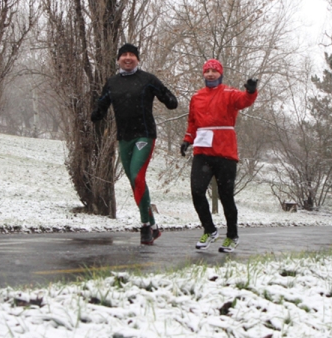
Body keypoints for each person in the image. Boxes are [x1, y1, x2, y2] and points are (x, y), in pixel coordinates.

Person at [91, 43, 178, 245]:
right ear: (118, 59)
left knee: (138, 176)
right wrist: (97, 113)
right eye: (124, 55)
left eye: (132, 55)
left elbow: (166, 96)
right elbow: (102, 103)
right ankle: (154, 226)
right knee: (134, 181)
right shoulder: (113, 83)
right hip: (124, 137)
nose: (128, 58)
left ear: (138, 59)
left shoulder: (147, 80)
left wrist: (170, 99)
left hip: (144, 135)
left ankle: (145, 225)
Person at [181, 58, 258, 253]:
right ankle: (210, 229)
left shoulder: (229, 93)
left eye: (214, 71)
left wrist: (250, 91)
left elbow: (244, 101)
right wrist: (187, 140)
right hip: (202, 151)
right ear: (203, 74)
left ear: (220, 74)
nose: (210, 74)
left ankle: (232, 236)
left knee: (226, 196)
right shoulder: (196, 97)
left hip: (225, 152)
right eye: (207, 71)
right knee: (197, 191)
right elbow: (192, 122)